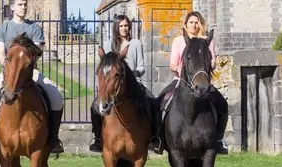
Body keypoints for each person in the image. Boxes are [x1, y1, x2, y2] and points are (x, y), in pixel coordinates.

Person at [0, 0, 65, 157]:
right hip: (8, 72)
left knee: (56, 98)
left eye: (25, 4)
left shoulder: (34, 28)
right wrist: (9, 70)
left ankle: (53, 138)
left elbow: (36, 52)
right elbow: (0, 52)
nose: (23, 7)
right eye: (19, 4)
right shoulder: (4, 28)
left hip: (31, 72)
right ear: (12, 7)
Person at [154, 11, 230, 155]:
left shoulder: (207, 40)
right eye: (191, 22)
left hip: (202, 82)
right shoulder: (179, 41)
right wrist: (180, 69)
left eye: (197, 22)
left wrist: (211, 64)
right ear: (186, 24)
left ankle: (219, 140)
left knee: (222, 104)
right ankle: (159, 139)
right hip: (180, 81)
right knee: (159, 102)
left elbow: (213, 60)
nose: (194, 25)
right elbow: (172, 64)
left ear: (200, 24)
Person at [88, 15, 162, 153]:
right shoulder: (109, 44)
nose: (124, 28)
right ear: (116, 27)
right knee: (94, 107)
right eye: (121, 26)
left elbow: (141, 66)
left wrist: (134, 74)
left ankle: (155, 138)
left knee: (154, 103)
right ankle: (97, 138)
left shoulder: (136, 43)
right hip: (113, 85)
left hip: (134, 84)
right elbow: (104, 67)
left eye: (126, 26)